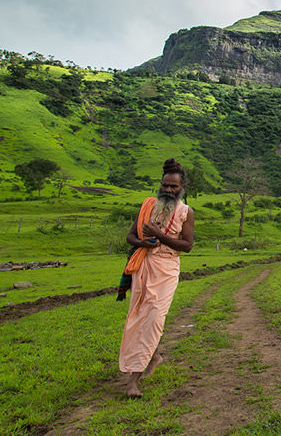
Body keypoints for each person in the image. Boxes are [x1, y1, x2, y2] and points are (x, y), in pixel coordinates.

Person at [118, 158, 195, 398]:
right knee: (139, 318)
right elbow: (130, 237)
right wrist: (143, 242)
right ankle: (154, 355)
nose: (168, 190)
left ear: (182, 188)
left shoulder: (186, 212)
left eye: (173, 187)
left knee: (154, 318)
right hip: (144, 266)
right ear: (160, 185)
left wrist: (160, 236)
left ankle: (133, 381)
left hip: (167, 269)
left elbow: (187, 245)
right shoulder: (148, 206)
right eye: (165, 186)